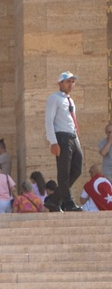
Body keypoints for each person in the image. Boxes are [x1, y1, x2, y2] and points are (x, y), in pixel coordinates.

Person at [45, 70, 83, 211]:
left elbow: (71, 121)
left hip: (72, 137)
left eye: (72, 81)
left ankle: (55, 200)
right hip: (61, 136)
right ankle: (67, 202)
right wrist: (53, 141)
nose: (71, 84)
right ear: (60, 83)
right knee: (64, 172)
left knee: (77, 169)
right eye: (68, 81)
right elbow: (49, 121)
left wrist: (77, 139)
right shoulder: (54, 98)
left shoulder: (70, 100)